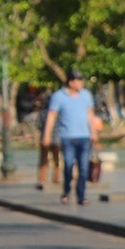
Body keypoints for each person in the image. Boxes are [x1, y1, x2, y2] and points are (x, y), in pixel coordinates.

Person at [44, 71, 98, 206]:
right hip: (67, 137)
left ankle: (82, 195)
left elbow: (90, 115)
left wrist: (94, 132)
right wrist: (47, 135)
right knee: (68, 165)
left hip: (84, 137)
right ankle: (66, 191)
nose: (81, 83)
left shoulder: (86, 95)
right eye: (78, 80)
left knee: (84, 168)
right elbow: (51, 116)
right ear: (70, 82)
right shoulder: (58, 96)